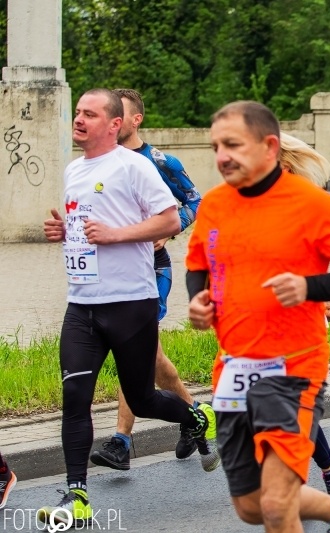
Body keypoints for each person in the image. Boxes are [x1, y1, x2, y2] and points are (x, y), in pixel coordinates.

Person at [186, 100, 330, 532]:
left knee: (276, 505)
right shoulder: (214, 204)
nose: (222, 156)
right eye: (216, 145)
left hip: (294, 367)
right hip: (233, 370)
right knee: (252, 508)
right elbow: (198, 264)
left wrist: (310, 287)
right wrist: (198, 300)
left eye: (233, 144)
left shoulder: (311, 204)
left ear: (269, 146)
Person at [38, 89, 214, 528]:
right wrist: (66, 231)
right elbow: (87, 223)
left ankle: (196, 414)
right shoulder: (74, 169)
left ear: (115, 124)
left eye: (89, 114)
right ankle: (76, 494)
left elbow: (171, 219)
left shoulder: (135, 166)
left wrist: (115, 235)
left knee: (142, 397)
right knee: (74, 397)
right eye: (77, 112)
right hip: (82, 306)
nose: (78, 119)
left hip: (130, 303)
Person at [88, 88, 219, 473]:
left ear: (134, 120)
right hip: (111, 269)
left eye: (118, 114)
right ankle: (193, 415)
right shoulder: (100, 162)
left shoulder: (160, 161)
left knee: (135, 350)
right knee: (153, 357)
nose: (111, 121)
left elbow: (196, 201)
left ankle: (121, 442)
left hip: (152, 268)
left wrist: (169, 228)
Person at [280, 132, 330, 495]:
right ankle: (326, 466)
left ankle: (326, 467)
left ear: (285, 164)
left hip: (304, 320)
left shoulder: (316, 205)